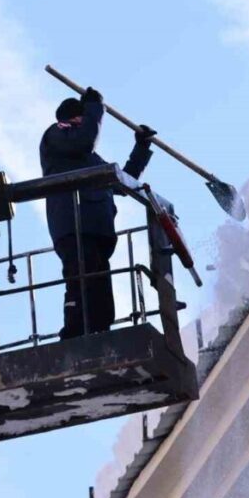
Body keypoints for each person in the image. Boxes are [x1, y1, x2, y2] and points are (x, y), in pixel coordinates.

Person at [39, 87, 155, 339]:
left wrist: (141, 148)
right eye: (83, 118)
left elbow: (124, 183)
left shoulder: (89, 158)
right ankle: (74, 334)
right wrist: (93, 108)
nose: (87, 123)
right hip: (74, 227)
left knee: (99, 287)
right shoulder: (57, 136)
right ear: (72, 119)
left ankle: (101, 332)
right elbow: (85, 139)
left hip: (96, 231)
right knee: (80, 281)